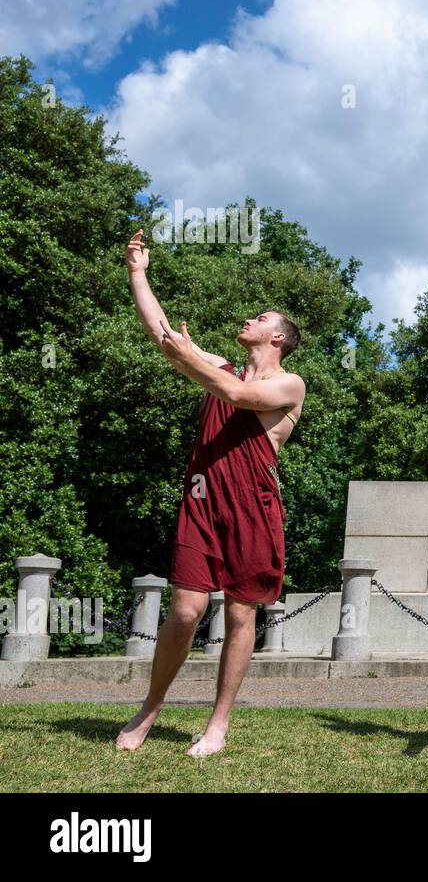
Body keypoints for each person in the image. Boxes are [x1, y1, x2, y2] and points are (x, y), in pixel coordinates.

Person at [115, 230, 306, 756]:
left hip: (252, 508)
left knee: (242, 614)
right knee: (184, 611)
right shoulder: (218, 366)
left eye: (263, 318)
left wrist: (187, 357)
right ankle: (149, 708)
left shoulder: (290, 385)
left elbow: (239, 394)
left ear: (277, 340)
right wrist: (137, 272)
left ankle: (218, 723)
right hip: (202, 501)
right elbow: (162, 333)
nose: (252, 319)